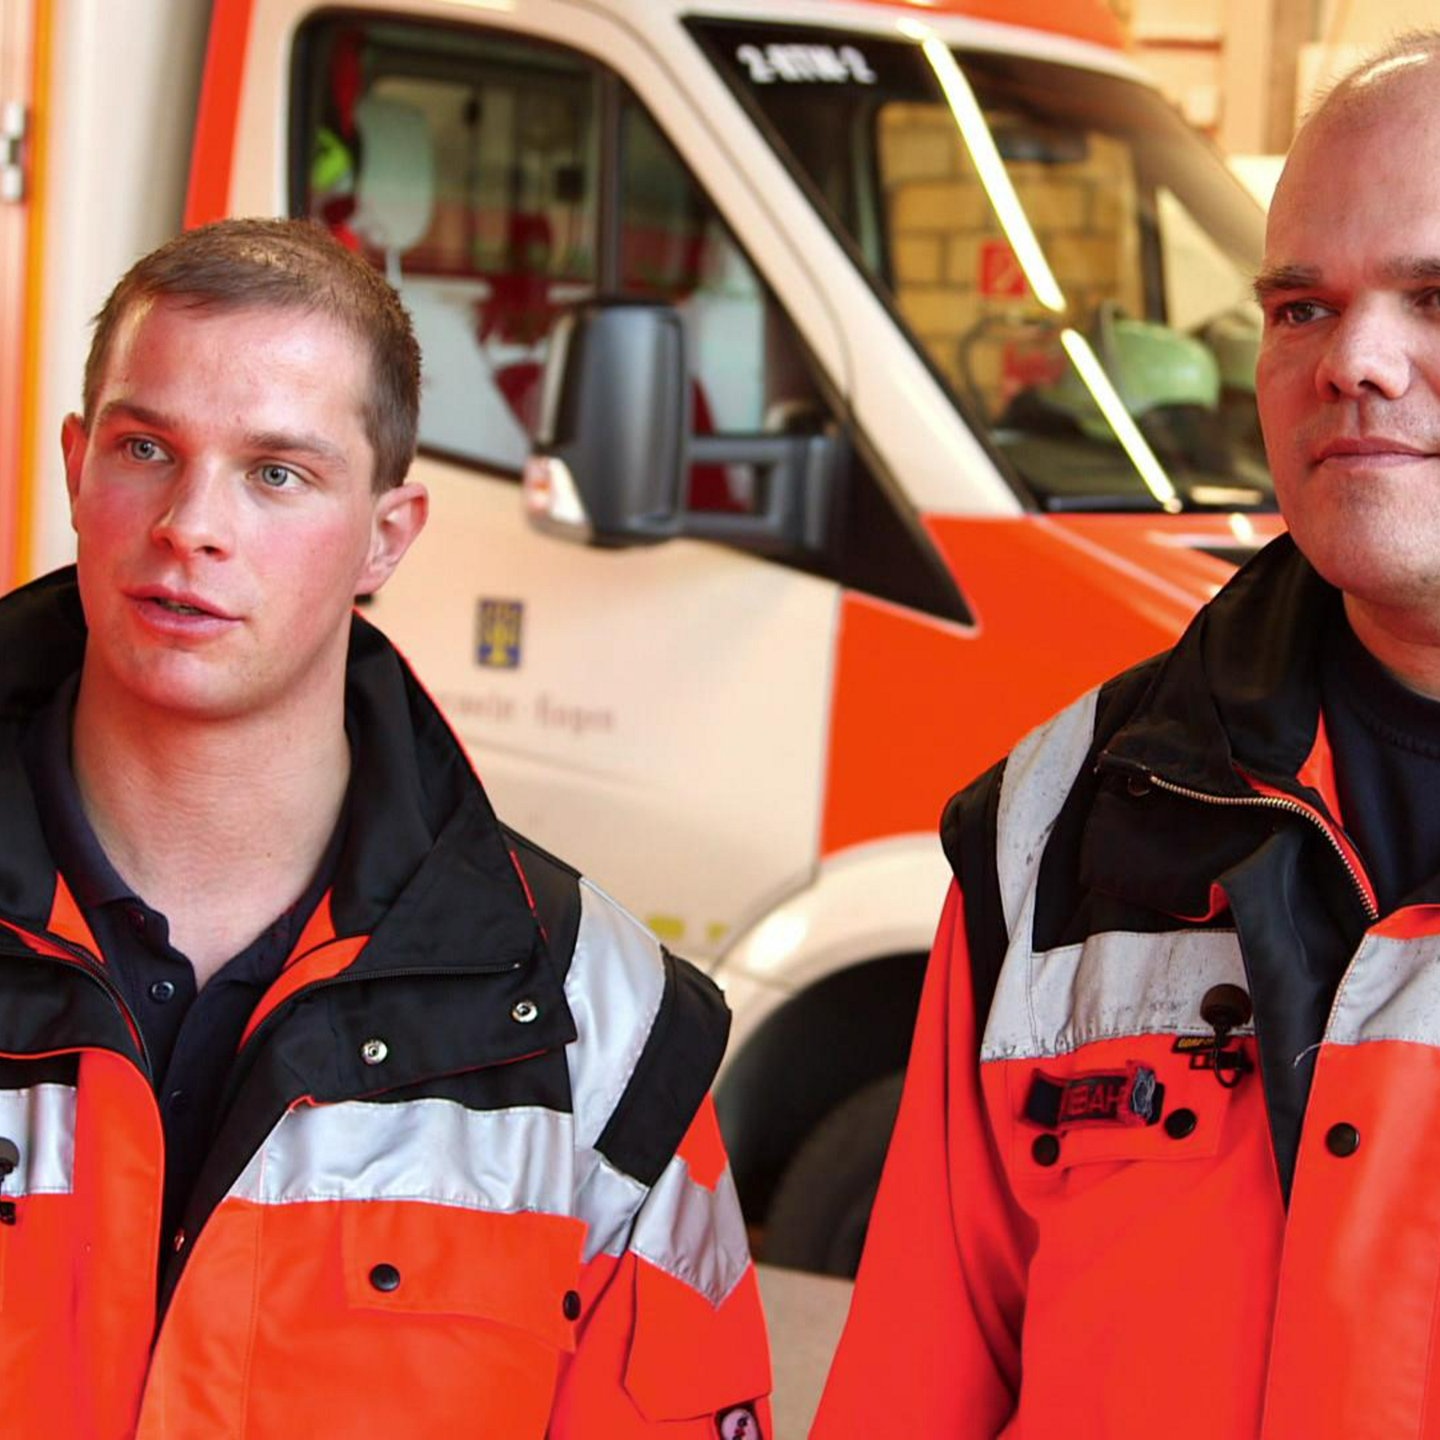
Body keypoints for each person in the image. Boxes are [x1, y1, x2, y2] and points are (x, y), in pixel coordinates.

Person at [1, 218, 770, 1437]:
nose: (190, 524)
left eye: (276, 473)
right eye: (146, 448)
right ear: (75, 467)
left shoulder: (599, 1028)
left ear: (386, 537)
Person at [815, 34, 1440, 1438]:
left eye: (1436, 297)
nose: (1354, 361)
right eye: (1301, 307)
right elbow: (916, 1382)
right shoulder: (1068, 821)